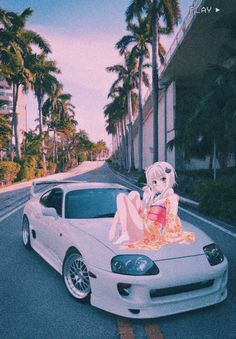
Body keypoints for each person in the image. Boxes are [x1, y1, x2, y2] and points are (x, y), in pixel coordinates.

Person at [108, 161, 195, 250]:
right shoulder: (156, 196)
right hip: (144, 224)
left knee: (121, 197)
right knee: (134, 194)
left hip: (149, 231)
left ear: (169, 178)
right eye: (154, 181)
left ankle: (123, 231)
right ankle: (119, 229)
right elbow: (145, 212)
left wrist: (169, 235)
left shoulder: (171, 197)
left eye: (163, 179)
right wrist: (148, 198)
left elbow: (171, 217)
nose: (159, 183)